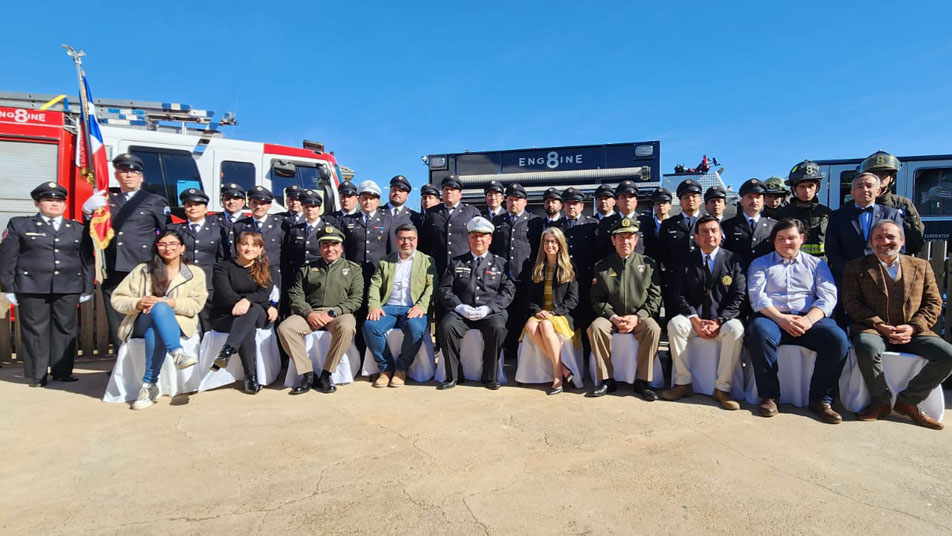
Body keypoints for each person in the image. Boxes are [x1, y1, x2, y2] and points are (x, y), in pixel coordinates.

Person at [842, 221, 951, 429]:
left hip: (914, 330)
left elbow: (934, 303)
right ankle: (880, 400)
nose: (885, 242)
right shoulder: (856, 267)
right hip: (873, 328)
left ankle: (908, 401)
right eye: (879, 238)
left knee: (948, 356)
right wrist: (880, 325)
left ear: (902, 240)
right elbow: (851, 303)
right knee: (866, 347)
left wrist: (912, 327)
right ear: (871, 242)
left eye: (890, 237)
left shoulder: (921, 266)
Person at [746, 218, 849, 423]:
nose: (786, 243)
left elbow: (828, 296)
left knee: (837, 339)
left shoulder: (817, 264)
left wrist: (809, 320)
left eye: (791, 238)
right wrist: (781, 319)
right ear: (774, 241)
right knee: (758, 332)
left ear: (801, 238)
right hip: (772, 316)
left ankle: (821, 400)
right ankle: (769, 396)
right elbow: (757, 297)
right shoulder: (760, 264)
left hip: (808, 317)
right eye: (780, 239)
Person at [0, 182, 94, 387]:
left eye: (59, 201)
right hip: (31, 285)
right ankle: (36, 374)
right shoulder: (19, 225)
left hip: (68, 285)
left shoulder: (77, 228)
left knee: (65, 329)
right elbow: (7, 258)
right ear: (37, 203)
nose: (54, 204)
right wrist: (8, 286)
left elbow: (87, 259)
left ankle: (62, 371)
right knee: (35, 330)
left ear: (64, 205)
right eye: (48, 200)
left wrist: (87, 287)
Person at [109, 230, 208, 410]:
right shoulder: (142, 270)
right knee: (156, 309)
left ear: (182, 248)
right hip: (140, 321)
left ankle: (148, 385)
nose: (167, 248)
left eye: (173, 244)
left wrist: (170, 302)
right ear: (156, 247)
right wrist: (138, 303)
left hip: (177, 323)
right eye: (162, 244)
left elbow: (196, 305)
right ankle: (177, 352)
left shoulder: (193, 273)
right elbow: (117, 298)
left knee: (158, 318)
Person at [81, 153, 169, 348]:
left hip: (142, 269)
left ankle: (144, 363)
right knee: (117, 320)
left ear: (141, 177)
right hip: (114, 267)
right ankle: (121, 362)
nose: (129, 175)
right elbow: (94, 230)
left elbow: (166, 235)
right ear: (117, 175)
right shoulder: (107, 200)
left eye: (134, 172)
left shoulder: (154, 201)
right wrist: (87, 212)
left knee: (143, 317)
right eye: (124, 171)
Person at [662, 216, 745, 410]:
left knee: (735, 330)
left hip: (722, 319)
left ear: (721, 234)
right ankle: (683, 383)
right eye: (704, 232)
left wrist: (719, 320)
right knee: (674, 325)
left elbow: (739, 296)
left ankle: (722, 389)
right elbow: (679, 294)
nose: (710, 235)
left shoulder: (734, 260)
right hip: (695, 319)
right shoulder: (686, 261)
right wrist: (694, 319)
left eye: (714, 230)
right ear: (696, 237)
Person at [277, 225, 363, 395]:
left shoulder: (353, 269)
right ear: (320, 248)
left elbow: (356, 299)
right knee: (285, 328)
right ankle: (307, 374)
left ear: (341, 247)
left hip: (339, 313)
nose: (330, 249)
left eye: (334, 245)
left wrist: (333, 312)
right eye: (325, 245)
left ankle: (326, 374)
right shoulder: (307, 269)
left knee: (346, 327)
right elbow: (295, 295)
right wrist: (309, 313)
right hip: (311, 312)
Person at [436, 217, 515, 390]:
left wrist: (489, 308)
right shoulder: (456, 262)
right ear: (468, 239)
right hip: (461, 312)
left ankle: (490, 376)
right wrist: (459, 306)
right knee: (446, 326)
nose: (478, 239)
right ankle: (453, 376)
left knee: (498, 328)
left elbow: (508, 291)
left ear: (490, 240)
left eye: (483, 236)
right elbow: (444, 289)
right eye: (474, 236)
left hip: (490, 313)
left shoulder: (500, 263)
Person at [588, 217, 662, 400]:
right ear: (613, 241)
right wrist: (613, 317)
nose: (625, 241)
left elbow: (655, 297)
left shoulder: (648, 265)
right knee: (596, 328)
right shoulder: (602, 267)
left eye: (630, 237)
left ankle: (642, 382)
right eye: (620, 238)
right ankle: (607, 380)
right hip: (611, 317)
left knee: (654, 329)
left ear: (636, 240)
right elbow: (596, 299)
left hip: (639, 317)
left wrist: (638, 317)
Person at [362, 223, 437, 388]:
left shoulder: (427, 261)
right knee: (369, 326)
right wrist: (374, 306)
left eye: (410, 239)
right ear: (396, 240)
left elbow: (432, 286)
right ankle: (386, 368)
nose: (406, 242)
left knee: (415, 328)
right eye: (402, 239)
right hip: (388, 308)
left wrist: (421, 306)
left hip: (412, 307)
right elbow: (375, 284)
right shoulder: (385, 261)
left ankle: (402, 369)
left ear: (416, 240)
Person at [209, 232, 279, 394]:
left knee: (251, 310)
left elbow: (264, 294)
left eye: (255, 245)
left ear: (261, 249)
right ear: (237, 246)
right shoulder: (222, 267)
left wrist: (248, 301)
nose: (249, 248)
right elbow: (225, 295)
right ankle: (250, 377)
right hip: (226, 315)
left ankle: (228, 350)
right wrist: (251, 301)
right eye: (245, 244)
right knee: (247, 324)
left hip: (258, 313)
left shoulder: (267, 268)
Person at [521, 227, 579, 395]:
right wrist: (538, 311)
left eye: (553, 241)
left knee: (546, 326)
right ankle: (562, 368)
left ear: (560, 244)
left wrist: (553, 313)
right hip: (540, 313)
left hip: (560, 315)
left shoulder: (569, 267)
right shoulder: (536, 266)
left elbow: (572, 300)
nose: (549, 245)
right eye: (546, 241)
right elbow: (530, 298)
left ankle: (557, 377)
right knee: (531, 327)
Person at [491, 183, 543, 361]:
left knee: (522, 314)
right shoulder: (497, 221)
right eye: (511, 199)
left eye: (518, 199)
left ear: (525, 202)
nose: (514, 203)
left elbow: (538, 249)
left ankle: (522, 351)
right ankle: (507, 350)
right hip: (502, 277)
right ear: (506, 201)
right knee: (505, 315)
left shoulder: (535, 221)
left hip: (524, 276)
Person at [825, 172, 902, 286]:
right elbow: (832, 249)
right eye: (860, 186)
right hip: (848, 278)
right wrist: (850, 270)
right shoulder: (837, 216)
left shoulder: (891, 214)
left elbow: (900, 246)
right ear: (852, 192)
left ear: (878, 191)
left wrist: (886, 269)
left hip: (883, 277)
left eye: (870, 186)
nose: (865, 190)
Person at [172, 188, 229, 333]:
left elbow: (221, 259)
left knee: (208, 322)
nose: (193, 208)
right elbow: (174, 259)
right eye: (189, 205)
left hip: (209, 282)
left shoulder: (218, 230)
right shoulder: (176, 230)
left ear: (206, 209)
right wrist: (187, 277)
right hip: (184, 281)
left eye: (197, 205)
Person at [860, 150, 925, 254]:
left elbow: (917, 240)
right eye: (874, 174)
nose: (878, 177)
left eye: (883, 174)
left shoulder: (903, 204)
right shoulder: (857, 204)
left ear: (891, 178)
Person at [418, 175, 480, 280]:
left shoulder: (471, 212)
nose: (449, 192)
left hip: (463, 268)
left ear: (460, 194)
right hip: (436, 269)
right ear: (442, 192)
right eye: (446, 189)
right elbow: (424, 243)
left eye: (453, 189)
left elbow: (479, 240)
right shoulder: (431, 213)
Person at [773, 159, 832, 259]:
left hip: (820, 267)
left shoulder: (827, 214)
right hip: (791, 267)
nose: (807, 191)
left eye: (810, 186)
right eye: (802, 186)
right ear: (794, 189)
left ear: (817, 187)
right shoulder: (781, 215)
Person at [232, 186, 286, 289]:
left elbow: (285, 253)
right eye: (255, 203)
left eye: (262, 203)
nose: (258, 207)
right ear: (249, 204)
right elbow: (235, 251)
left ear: (269, 205)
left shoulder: (280, 226)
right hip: (248, 272)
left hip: (272, 274)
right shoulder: (240, 226)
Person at [721, 179, 777, 269]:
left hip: (765, 275)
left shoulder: (773, 226)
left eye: (758, 197)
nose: (754, 201)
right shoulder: (728, 226)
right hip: (737, 274)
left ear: (764, 201)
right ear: (742, 201)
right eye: (750, 197)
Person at [596, 180, 645, 259]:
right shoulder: (606, 222)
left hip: (639, 269)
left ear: (636, 202)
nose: (627, 199)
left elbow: (652, 250)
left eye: (631, 196)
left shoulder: (646, 222)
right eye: (624, 196)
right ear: (617, 202)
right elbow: (601, 250)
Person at [284, 189, 327, 272]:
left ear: (319, 209)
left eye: (313, 206)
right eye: (306, 207)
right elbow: (288, 255)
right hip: (298, 275)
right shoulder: (295, 230)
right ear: (303, 208)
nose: (310, 209)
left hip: (320, 274)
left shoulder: (327, 230)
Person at [211, 183, 247, 254]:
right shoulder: (211, 220)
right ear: (222, 201)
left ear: (243, 202)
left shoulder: (249, 222)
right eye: (228, 199)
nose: (231, 202)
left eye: (236, 199)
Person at [639, 188, 672, 263]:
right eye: (657, 203)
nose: (661, 205)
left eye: (664, 202)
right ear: (654, 206)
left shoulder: (675, 225)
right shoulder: (646, 225)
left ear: (670, 206)